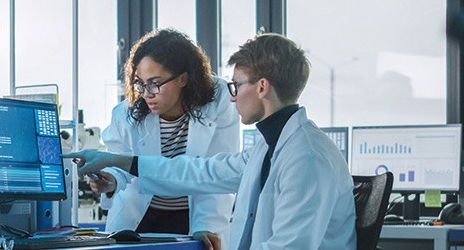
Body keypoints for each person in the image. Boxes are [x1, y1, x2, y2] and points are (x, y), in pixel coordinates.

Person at [66, 33, 356, 250]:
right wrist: (121, 162)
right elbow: (200, 172)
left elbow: (290, 246)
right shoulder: (269, 149)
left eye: (236, 86)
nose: (231, 97)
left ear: (262, 87)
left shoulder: (306, 157)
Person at [86, 29, 238, 239]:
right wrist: (110, 180)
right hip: (138, 217)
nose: (146, 94)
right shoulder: (126, 114)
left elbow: (217, 172)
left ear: (183, 78)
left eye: (155, 84)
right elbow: (121, 163)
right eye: (140, 83)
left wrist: (206, 226)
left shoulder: (217, 99)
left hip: (194, 215)